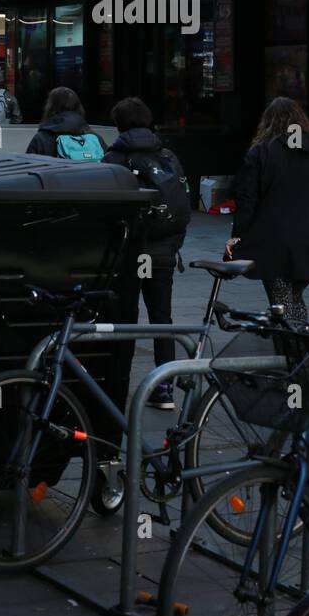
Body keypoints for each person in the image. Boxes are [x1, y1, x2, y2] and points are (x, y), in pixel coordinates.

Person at [226, 97, 309, 322]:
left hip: (275, 241)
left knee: (282, 301)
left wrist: (236, 239)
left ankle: (291, 341)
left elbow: (246, 200)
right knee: (294, 296)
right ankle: (299, 339)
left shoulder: (263, 152)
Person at [103, 97, 191, 409]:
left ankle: (117, 386)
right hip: (163, 251)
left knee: (124, 319)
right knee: (161, 318)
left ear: (119, 124)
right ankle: (164, 389)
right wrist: (173, 245)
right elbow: (183, 203)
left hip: (129, 253)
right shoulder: (167, 154)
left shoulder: (114, 157)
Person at [26, 87, 106, 159]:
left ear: (50, 108)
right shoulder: (95, 138)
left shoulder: (41, 139)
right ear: (79, 107)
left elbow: (28, 167)